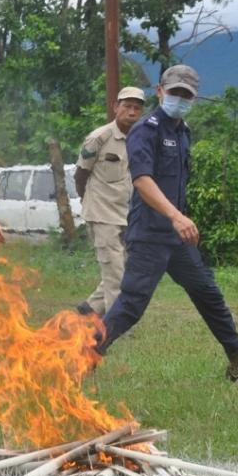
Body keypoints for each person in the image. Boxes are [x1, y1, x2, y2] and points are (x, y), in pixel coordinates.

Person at [94, 65, 238, 382]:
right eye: (175, 92)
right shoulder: (145, 130)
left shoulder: (183, 132)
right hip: (151, 233)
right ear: (160, 91)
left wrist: (179, 220)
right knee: (131, 305)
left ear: (193, 98)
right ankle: (83, 359)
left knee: (208, 292)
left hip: (176, 238)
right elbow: (142, 180)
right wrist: (177, 217)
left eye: (186, 95)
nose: (180, 99)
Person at [74, 87, 146, 317]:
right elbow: (80, 174)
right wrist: (89, 203)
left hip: (128, 214)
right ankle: (116, 325)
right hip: (102, 214)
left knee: (126, 268)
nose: (131, 112)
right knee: (115, 274)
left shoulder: (142, 139)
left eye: (137, 107)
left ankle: (89, 309)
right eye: (127, 106)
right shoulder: (99, 138)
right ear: (116, 107)